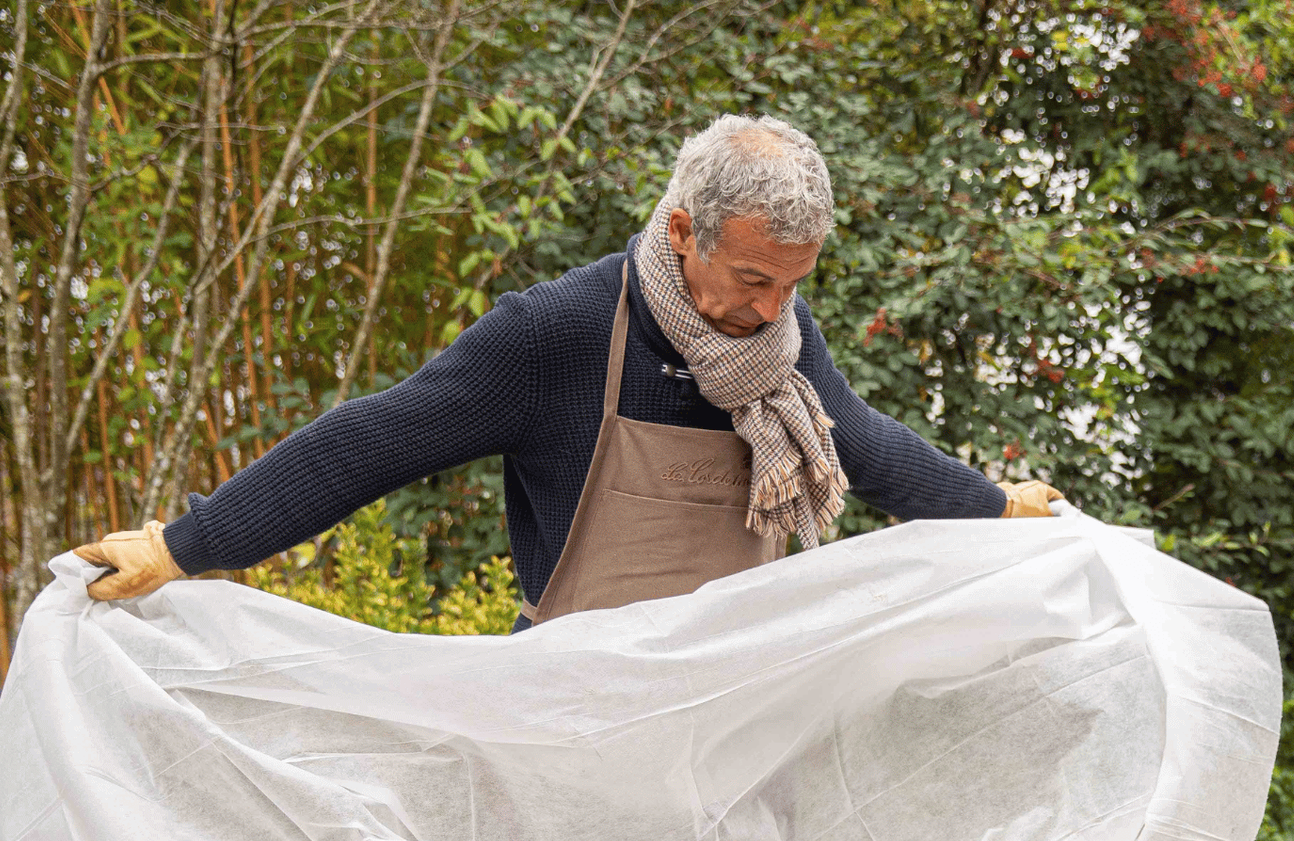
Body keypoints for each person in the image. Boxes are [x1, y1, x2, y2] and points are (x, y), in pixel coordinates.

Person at [74, 114, 1064, 625]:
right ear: (684, 232)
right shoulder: (556, 335)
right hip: (574, 720)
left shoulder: (776, 347)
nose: (773, 313)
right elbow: (372, 441)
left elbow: (866, 448)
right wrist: (186, 543)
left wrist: (995, 508)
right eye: (754, 279)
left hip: (732, 716)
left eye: (793, 286)